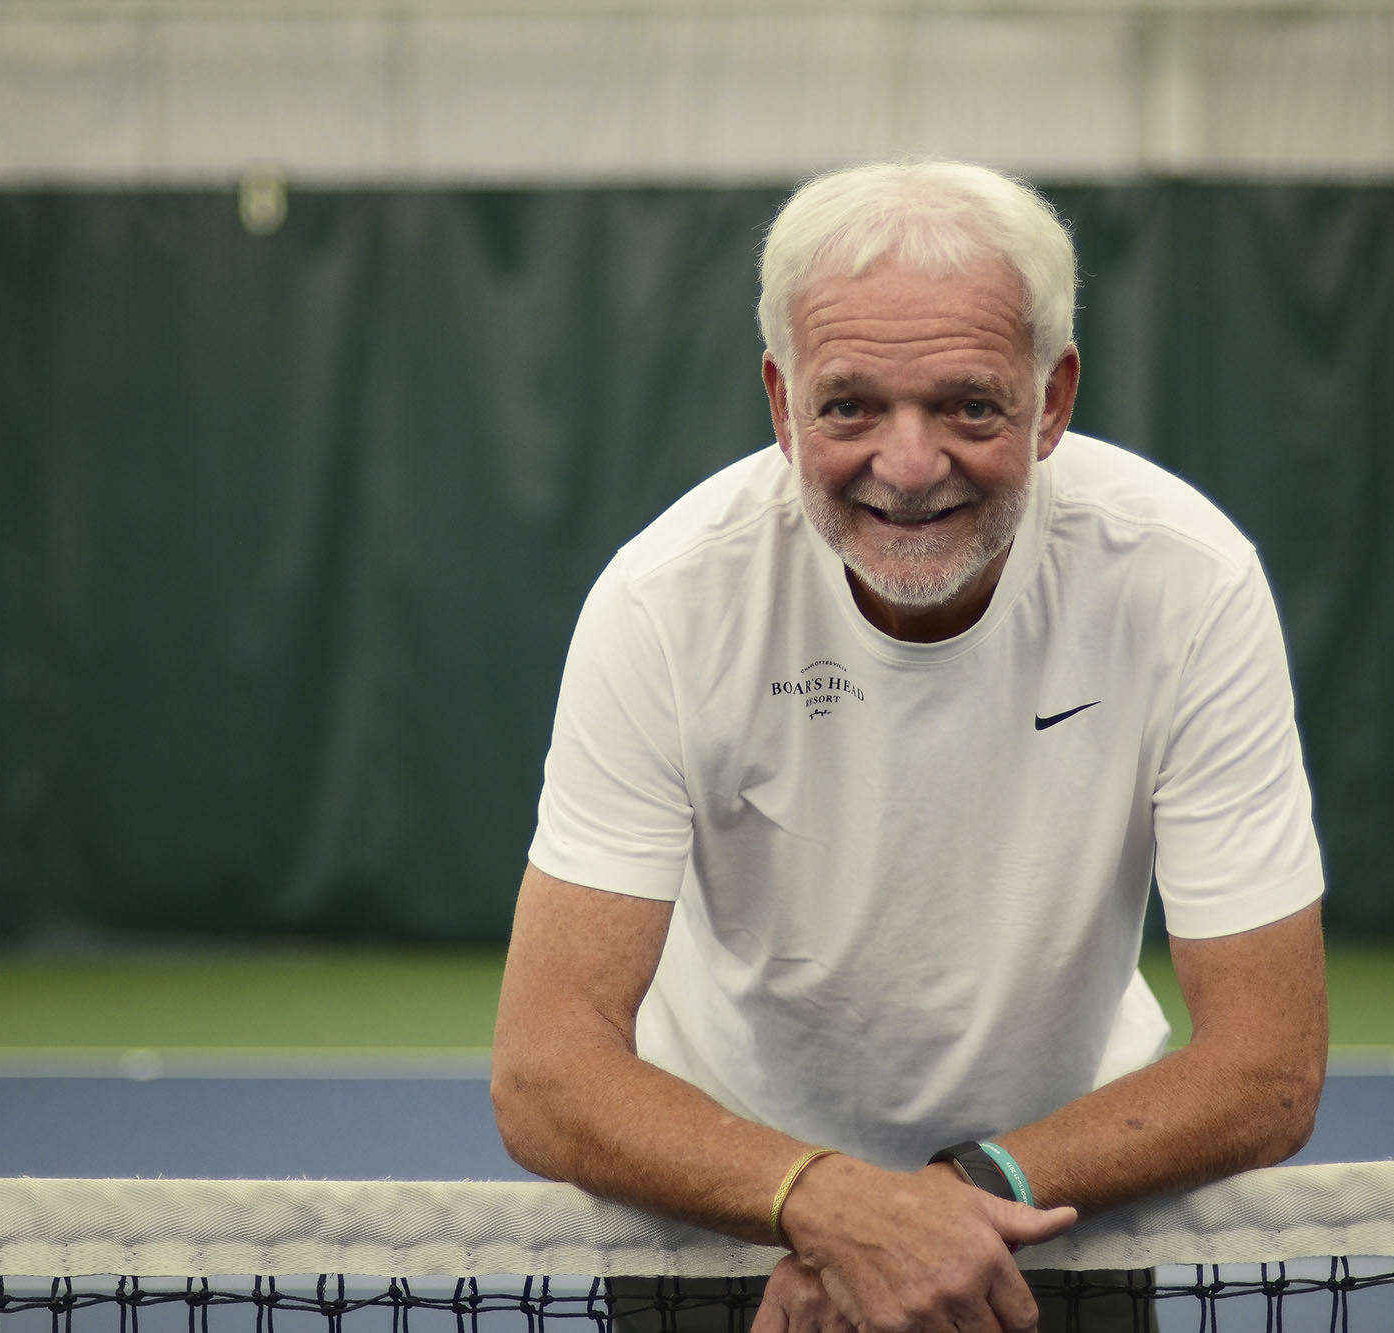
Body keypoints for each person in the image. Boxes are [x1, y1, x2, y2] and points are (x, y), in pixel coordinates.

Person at [491, 159, 1328, 1333]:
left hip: (1051, 1231)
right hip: (729, 1242)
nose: (908, 461)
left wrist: (952, 1203)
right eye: (849, 406)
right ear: (781, 404)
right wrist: (821, 1205)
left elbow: (1269, 1065)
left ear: (1050, 399)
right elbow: (543, 1072)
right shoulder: (663, 603)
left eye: (967, 404)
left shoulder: (1186, 582)